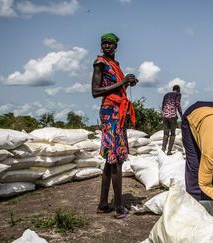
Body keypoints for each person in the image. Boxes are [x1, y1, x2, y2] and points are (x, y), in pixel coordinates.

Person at [91, 33, 139, 219]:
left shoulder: (115, 66)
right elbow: (95, 91)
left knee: (111, 159)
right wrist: (122, 82)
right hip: (110, 111)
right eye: (104, 43)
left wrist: (127, 83)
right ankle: (119, 207)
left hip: (118, 111)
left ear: (116, 46)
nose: (107, 46)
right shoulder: (100, 63)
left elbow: (116, 86)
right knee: (116, 158)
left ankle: (104, 204)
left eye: (110, 43)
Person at [161, 85, 182, 155]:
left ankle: (163, 150)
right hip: (172, 115)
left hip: (164, 115)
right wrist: (181, 115)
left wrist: (164, 113)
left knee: (165, 134)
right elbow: (177, 104)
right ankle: (169, 151)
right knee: (173, 134)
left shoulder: (166, 94)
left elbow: (163, 104)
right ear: (178, 89)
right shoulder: (178, 94)